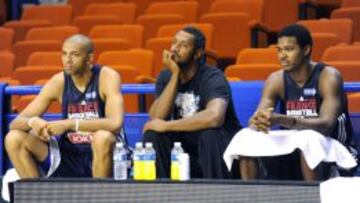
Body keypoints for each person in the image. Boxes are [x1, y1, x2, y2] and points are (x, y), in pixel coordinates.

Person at [226, 24, 357, 181]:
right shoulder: (276, 80)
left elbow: (326, 126)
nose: (282, 56)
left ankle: (313, 197)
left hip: (337, 149)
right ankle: (251, 195)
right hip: (295, 148)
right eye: (279, 50)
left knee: (309, 138)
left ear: (306, 49)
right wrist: (258, 120)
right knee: (246, 136)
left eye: (288, 49)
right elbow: (259, 117)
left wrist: (282, 119)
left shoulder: (328, 77)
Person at [5, 34, 124, 178]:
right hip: (69, 154)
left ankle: (99, 196)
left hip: (105, 153)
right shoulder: (58, 82)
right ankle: (37, 197)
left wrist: (70, 124)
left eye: (75, 55)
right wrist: (33, 122)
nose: (68, 60)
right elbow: (15, 123)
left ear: (89, 58)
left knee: (102, 137)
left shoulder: (107, 77)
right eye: (64, 54)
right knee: (13, 138)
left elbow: (115, 123)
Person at [142, 26, 242, 179]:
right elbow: (156, 117)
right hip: (184, 153)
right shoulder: (166, 76)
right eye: (174, 43)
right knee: (153, 134)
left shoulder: (212, 77)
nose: (175, 49)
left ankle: (216, 193)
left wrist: (168, 126)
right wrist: (175, 76)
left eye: (183, 45)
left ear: (198, 53)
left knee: (210, 134)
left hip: (216, 154)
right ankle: (161, 193)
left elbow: (215, 117)